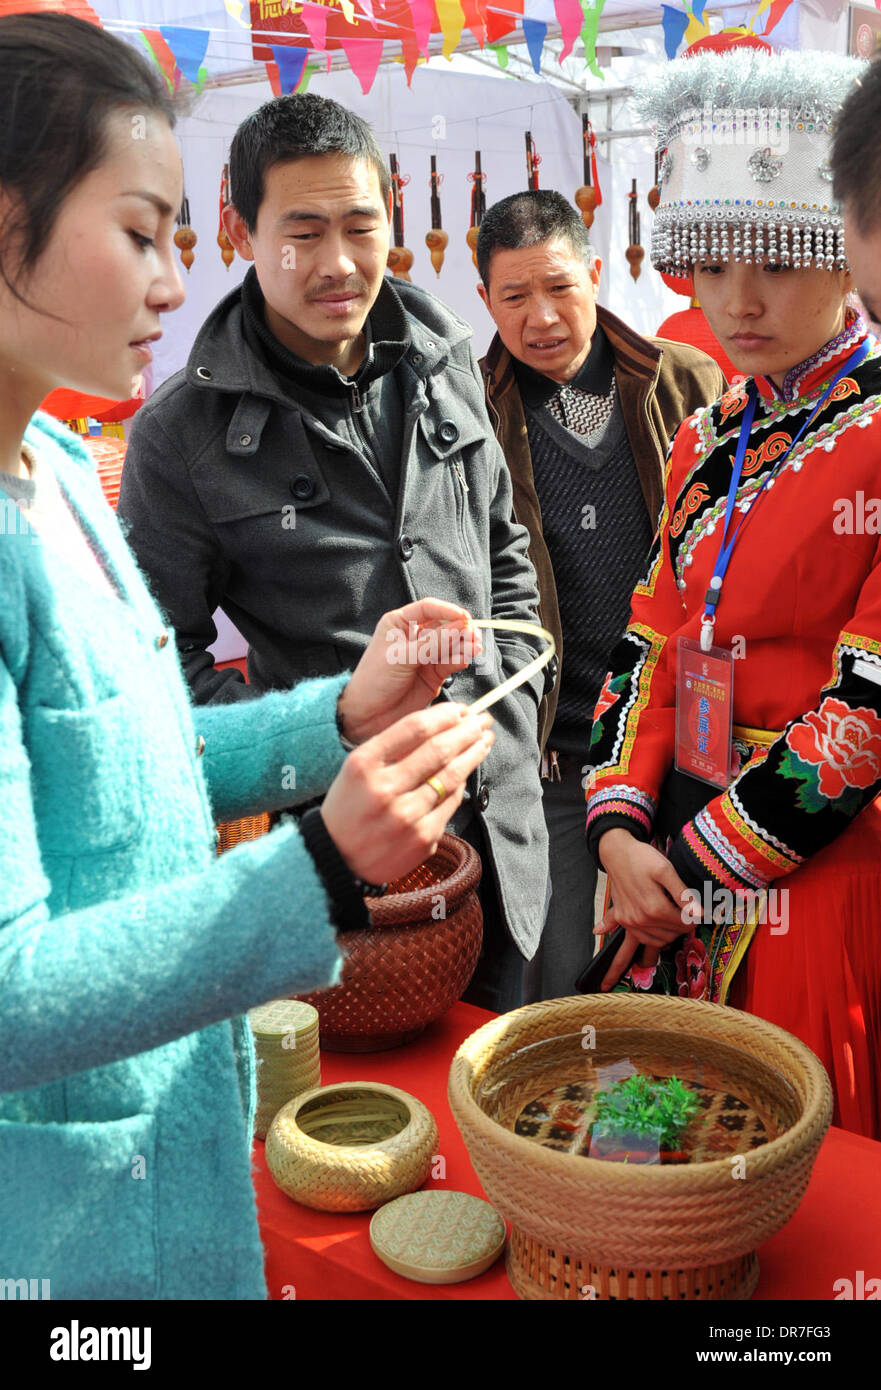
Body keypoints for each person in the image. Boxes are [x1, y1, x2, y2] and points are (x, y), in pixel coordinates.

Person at [0, 12, 494, 1299]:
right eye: (140, 235)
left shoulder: (48, 469)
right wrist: (318, 862)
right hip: (70, 1237)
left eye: (172, 238)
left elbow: (134, 756)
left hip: (178, 1151)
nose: (173, 284)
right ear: (6, 228)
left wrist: (335, 715)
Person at [118, 93, 550, 1014]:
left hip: (507, 827)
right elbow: (162, 670)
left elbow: (504, 545)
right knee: (375, 1123)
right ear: (238, 229)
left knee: (504, 1083)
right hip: (348, 860)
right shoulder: (181, 435)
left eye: (360, 226)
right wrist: (321, 752)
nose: (338, 264)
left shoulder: (444, 350)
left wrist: (511, 708)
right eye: (301, 232)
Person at [583, 45, 881, 1140]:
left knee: (784, 1180)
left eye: (775, 262)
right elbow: (647, 637)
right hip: (667, 851)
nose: (734, 301)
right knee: (640, 1171)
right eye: (708, 264)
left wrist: (691, 861)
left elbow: (866, 706)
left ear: (842, 253)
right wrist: (616, 829)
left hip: (813, 872)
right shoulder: (706, 433)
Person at [476, 189, 723, 1001]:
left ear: (593, 272)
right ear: (485, 301)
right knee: (554, 972)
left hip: (684, 728)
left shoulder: (683, 380)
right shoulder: (475, 414)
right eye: (514, 297)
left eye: (559, 288)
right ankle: (558, 1130)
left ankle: (648, 1132)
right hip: (555, 743)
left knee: (686, 952)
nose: (541, 317)